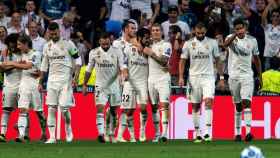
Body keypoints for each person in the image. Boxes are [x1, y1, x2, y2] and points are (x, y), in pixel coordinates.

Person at [179, 22, 225, 143]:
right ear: (194, 31)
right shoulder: (188, 44)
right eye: (198, 33)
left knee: (209, 101)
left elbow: (218, 60)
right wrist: (180, 77)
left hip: (208, 77)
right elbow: (182, 61)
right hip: (193, 77)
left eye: (202, 33)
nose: (200, 35)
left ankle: (208, 133)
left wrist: (221, 77)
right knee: (195, 106)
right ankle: (198, 133)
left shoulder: (212, 43)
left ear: (205, 31)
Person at [39, 22, 81, 144]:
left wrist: (76, 76)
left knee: (64, 109)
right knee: (51, 108)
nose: (53, 35)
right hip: (52, 81)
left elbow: (78, 59)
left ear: (59, 31)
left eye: (55, 33)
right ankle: (52, 137)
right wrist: (40, 81)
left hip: (65, 81)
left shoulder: (68, 44)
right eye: (51, 33)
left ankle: (68, 129)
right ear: (48, 33)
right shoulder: (47, 46)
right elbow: (44, 65)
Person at [223, 18, 262, 142]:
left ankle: (249, 132)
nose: (240, 31)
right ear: (234, 29)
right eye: (237, 29)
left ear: (245, 28)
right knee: (238, 105)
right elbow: (225, 45)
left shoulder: (252, 41)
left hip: (247, 76)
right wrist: (235, 34)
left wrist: (260, 76)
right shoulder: (230, 38)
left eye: (241, 28)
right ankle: (238, 133)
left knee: (247, 102)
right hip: (233, 76)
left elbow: (256, 59)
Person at [82, 32, 123, 143]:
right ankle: (101, 134)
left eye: (107, 42)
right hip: (100, 86)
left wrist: (124, 76)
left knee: (114, 111)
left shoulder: (117, 51)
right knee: (100, 108)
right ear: (99, 41)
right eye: (103, 42)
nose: (105, 44)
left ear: (110, 40)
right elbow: (89, 70)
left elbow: (122, 66)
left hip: (114, 86)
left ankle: (111, 133)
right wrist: (85, 84)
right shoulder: (94, 52)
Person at [3, 34, 45, 142]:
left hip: (34, 85)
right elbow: (19, 64)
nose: (18, 46)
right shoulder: (21, 55)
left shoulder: (36, 54)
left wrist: (12, 63)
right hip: (23, 84)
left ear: (26, 44)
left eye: (20, 44)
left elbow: (28, 66)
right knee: (22, 109)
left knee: (39, 112)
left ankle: (44, 133)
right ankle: (21, 135)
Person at [142, 23, 172, 142]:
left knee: (164, 105)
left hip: (163, 78)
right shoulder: (148, 44)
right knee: (154, 107)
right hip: (151, 79)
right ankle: (157, 133)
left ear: (161, 32)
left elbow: (164, 61)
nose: (155, 32)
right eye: (153, 30)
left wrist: (152, 54)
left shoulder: (166, 45)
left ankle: (165, 133)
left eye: (157, 30)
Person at [121, 28, 150, 142]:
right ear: (139, 38)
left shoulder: (149, 50)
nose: (148, 39)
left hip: (143, 82)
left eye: (148, 37)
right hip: (130, 82)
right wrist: (125, 71)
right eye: (146, 38)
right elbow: (123, 62)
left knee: (143, 107)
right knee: (129, 110)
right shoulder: (129, 48)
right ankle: (132, 135)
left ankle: (142, 131)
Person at [113, 19, 137, 142]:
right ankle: (117, 134)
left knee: (130, 108)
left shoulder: (135, 44)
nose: (134, 30)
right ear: (125, 29)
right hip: (120, 80)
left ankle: (131, 136)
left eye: (135, 28)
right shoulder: (117, 44)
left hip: (133, 80)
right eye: (132, 28)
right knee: (124, 108)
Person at [0, 33, 21, 142]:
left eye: (14, 43)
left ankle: (20, 135)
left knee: (23, 110)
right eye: (10, 43)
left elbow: (26, 66)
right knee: (6, 109)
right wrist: (17, 64)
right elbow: (2, 67)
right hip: (8, 85)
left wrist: (10, 64)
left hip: (21, 84)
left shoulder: (23, 53)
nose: (12, 45)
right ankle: (2, 133)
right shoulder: (5, 52)